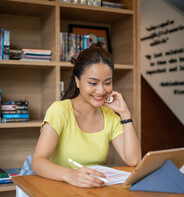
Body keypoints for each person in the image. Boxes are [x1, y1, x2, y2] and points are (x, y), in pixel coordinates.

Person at [32, 47, 141, 188]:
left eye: (107, 83)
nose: (101, 90)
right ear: (77, 81)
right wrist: (70, 175)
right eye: (93, 83)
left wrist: (125, 114)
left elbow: (133, 161)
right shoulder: (60, 110)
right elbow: (38, 161)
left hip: (92, 190)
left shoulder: (110, 116)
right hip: (60, 188)